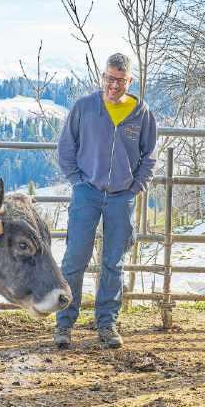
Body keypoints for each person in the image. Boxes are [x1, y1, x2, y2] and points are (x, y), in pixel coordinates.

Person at [54, 53, 157, 349]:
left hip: (121, 197)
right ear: (103, 77)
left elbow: (149, 155)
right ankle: (64, 324)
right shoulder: (85, 107)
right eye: (109, 78)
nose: (114, 85)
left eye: (120, 80)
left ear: (130, 81)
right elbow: (65, 148)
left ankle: (107, 324)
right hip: (87, 193)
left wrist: (135, 187)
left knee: (114, 262)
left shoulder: (141, 113)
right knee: (74, 260)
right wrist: (77, 181)